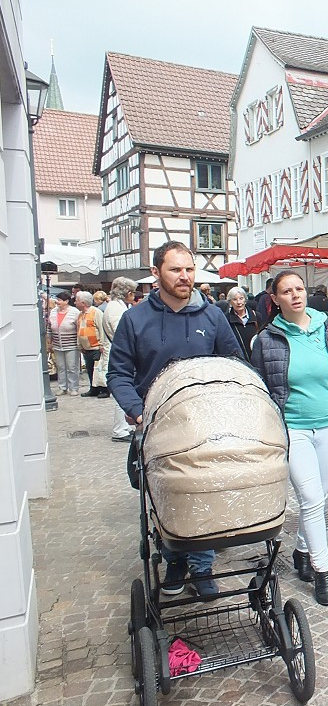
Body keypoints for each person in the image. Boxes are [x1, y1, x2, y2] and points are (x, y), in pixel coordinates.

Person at [108, 242, 243, 598]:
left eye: (189, 269)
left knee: (206, 494)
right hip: (157, 428)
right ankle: (175, 560)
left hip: (206, 428)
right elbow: (119, 374)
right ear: (156, 273)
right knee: (167, 495)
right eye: (175, 270)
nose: (185, 276)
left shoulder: (212, 316)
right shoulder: (134, 319)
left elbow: (234, 362)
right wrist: (138, 411)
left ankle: (201, 567)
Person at [251, 270, 328, 607]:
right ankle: (323, 570)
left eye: (299, 288)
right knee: (312, 499)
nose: (296, 295)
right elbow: (259, 385)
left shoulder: (327, 326)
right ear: (275, 299)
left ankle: (301, 550)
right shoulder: (267, 339)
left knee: (318, 496)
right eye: (287, 291)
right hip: (294, 428)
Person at [102, 277, 138, 442]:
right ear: (128, 293)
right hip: (121, 355)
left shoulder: (115, 306)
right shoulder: (117, 309)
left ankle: (122, 427)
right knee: (122, 391)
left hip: (117, 352)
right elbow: (122, 334)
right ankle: (120, 429)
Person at [47, 291, 81, 396]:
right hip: (57, 344)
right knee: (61, 367)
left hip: (71, 344)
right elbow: (49, 327)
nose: (57, 302)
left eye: (59, 300)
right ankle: (62, 387)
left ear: (66, 301)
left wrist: (79, 342)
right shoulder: (53, 312)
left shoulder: (74, 312)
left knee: (72, 367)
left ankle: (74, 387)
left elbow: (79, 327)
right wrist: (49, 341)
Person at [74, 291, 107, 397]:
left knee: (99, 369)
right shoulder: (80, 314)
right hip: (86, 347)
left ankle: (104, 389)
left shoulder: (96, 312)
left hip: (96, 346)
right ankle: (93, 389)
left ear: (83, 303)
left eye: (77, 300)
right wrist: (79, 345)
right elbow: (79, 330)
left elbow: (102, 328)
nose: (75, 302)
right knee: (90, 369)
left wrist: (102, 344)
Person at [224, 287, 258, 361]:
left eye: (241, 298)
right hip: (237, 360)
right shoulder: (226, 319)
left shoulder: (256, 316)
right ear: (230, 302)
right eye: (235, 299)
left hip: (257, 358)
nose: (239, 302)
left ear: (245, 300)